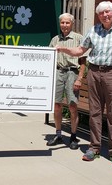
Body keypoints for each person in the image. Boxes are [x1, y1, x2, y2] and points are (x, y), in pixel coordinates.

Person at [56, 1, 112, 166]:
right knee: (95, 113)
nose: (105, 15)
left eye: (108, 12)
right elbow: (80, 51)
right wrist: (63, 49)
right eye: (101, 13)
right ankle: (94, 148)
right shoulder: (93, 30)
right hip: (94, 72)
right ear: (98, 15)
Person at [46, 13, 87, 150]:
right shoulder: (55, 40)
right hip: (58, 72)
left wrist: (80, 78)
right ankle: (58, 134)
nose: (64, 25)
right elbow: (49, 58)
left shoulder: (79, 38)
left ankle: (73, 136)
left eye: (67, 23)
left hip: (72, 72)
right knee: (57, 105)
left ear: (72, 23)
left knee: (72, 105)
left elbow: (83, 61)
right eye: (62, 23)